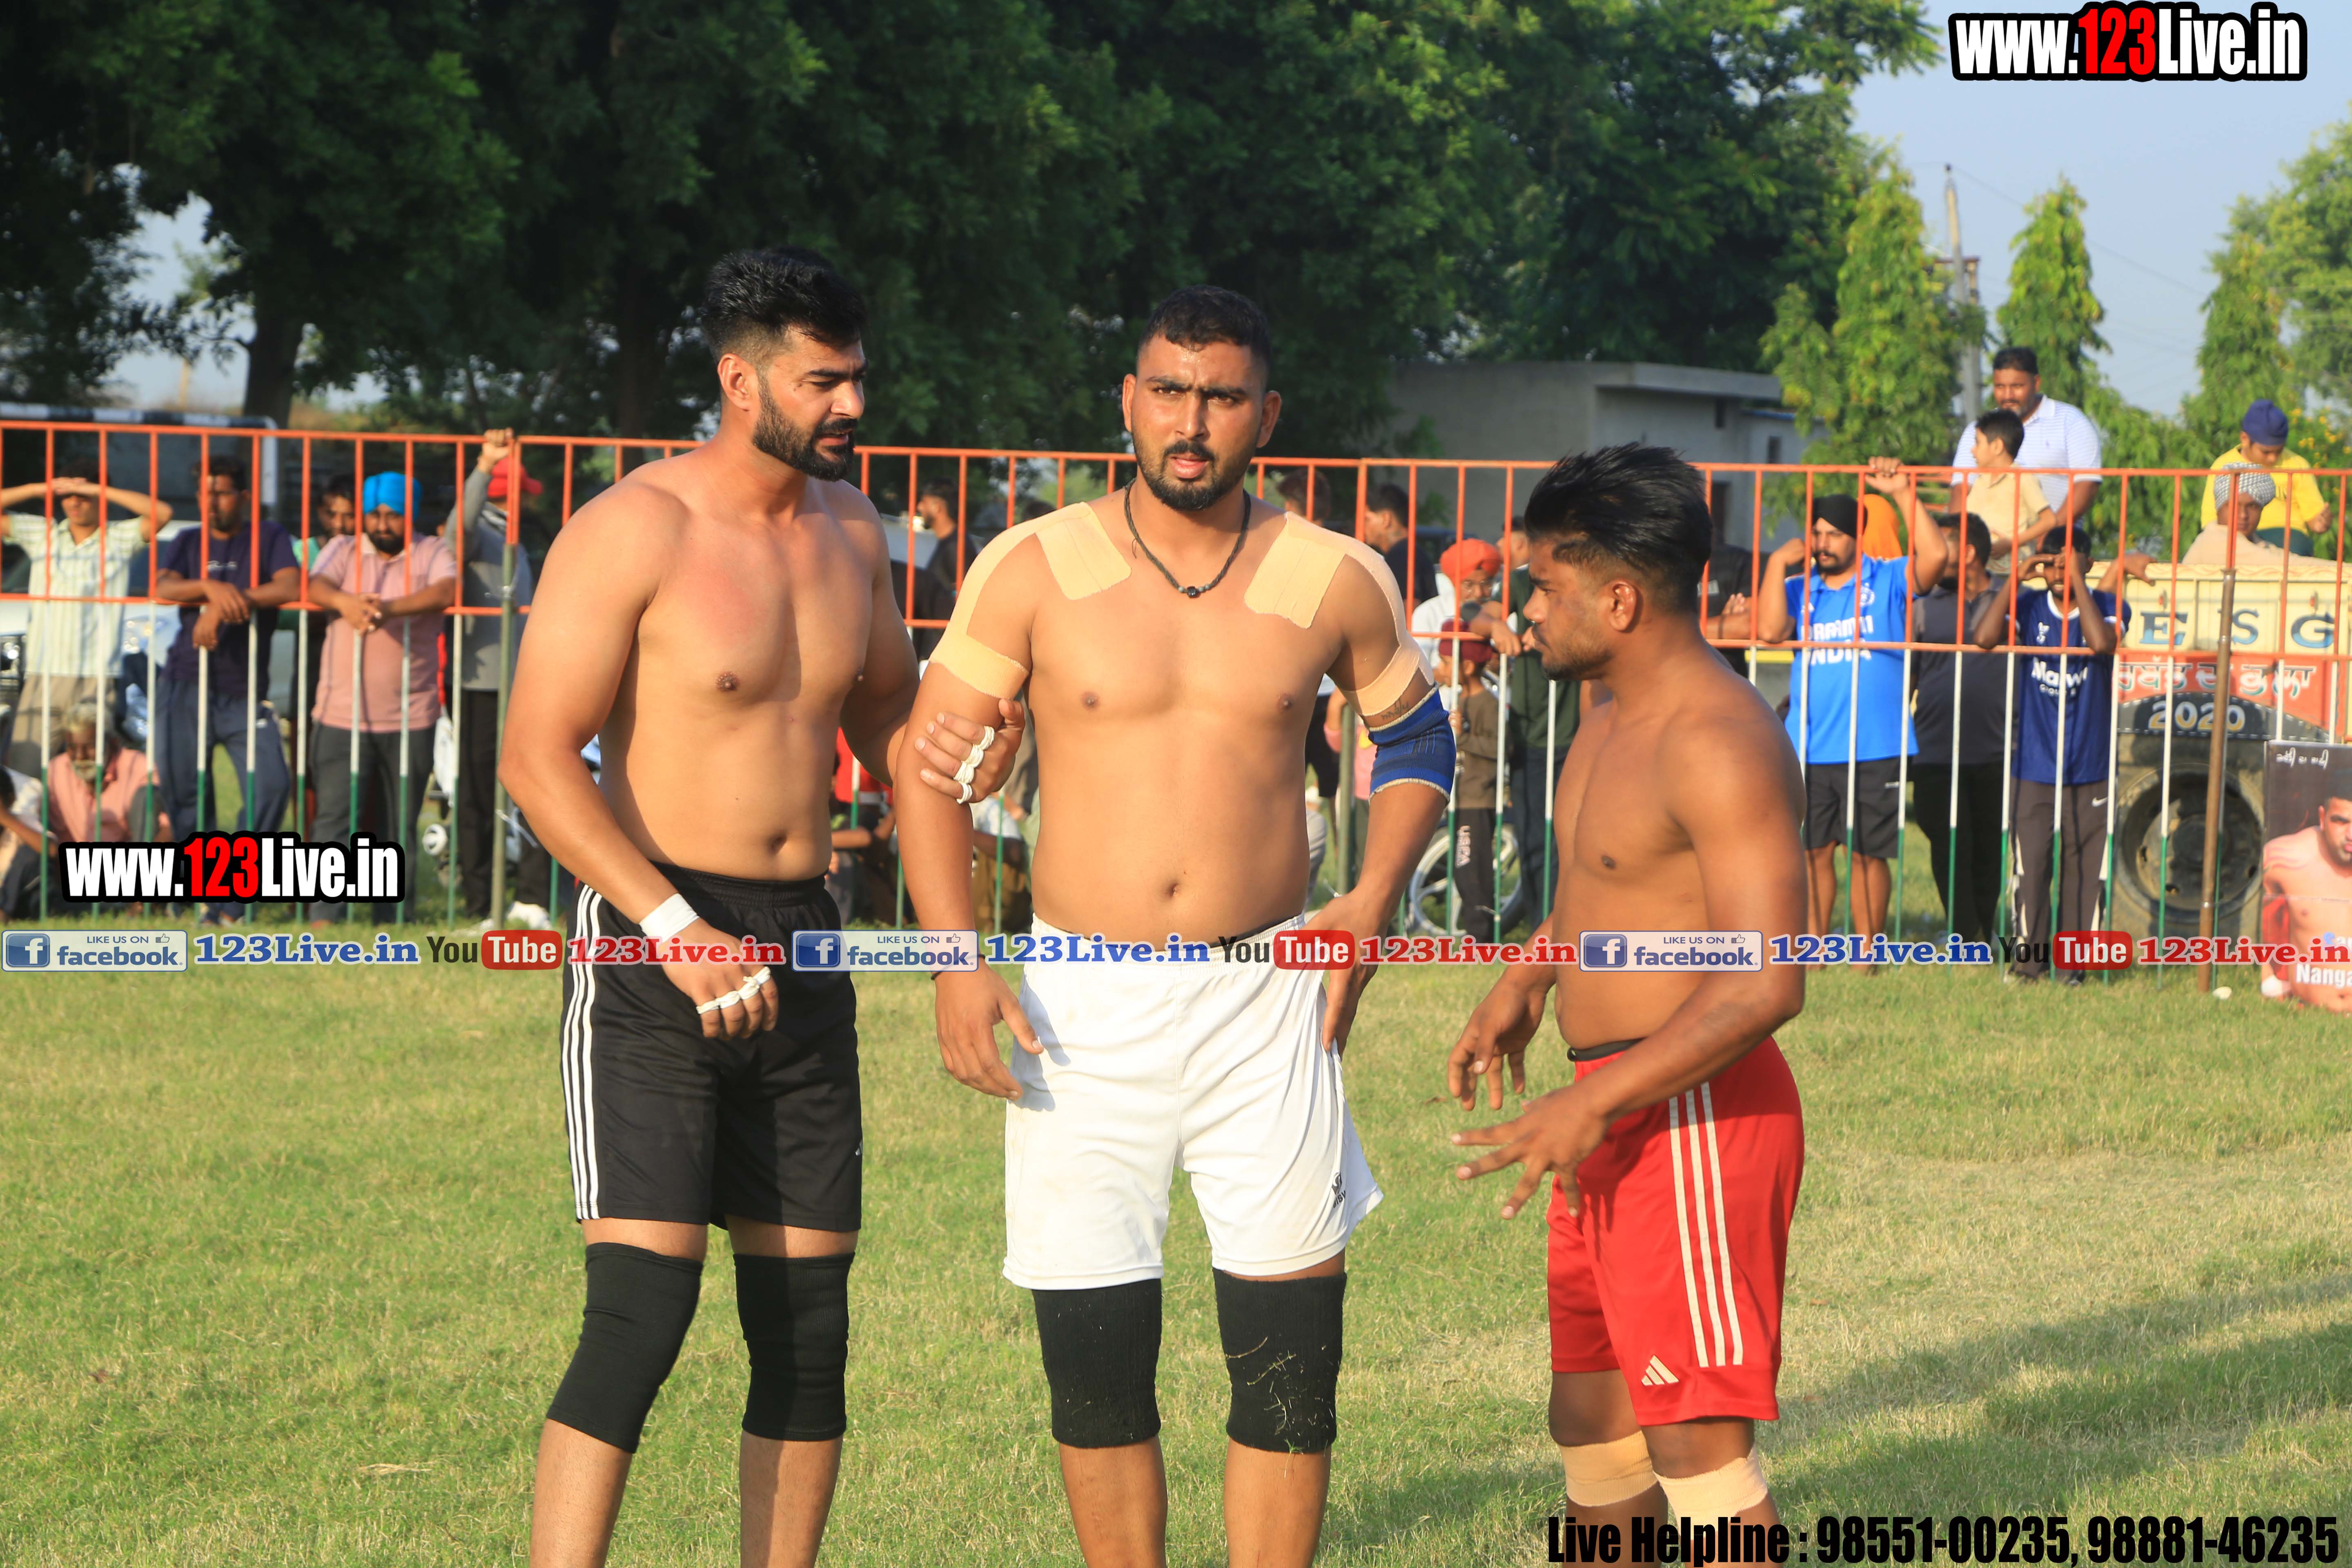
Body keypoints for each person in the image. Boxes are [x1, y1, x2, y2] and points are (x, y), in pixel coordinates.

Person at [893, 284, 1448, 1568]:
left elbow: (1419, 739)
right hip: (1080, 1003)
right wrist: (954, 963)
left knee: (1292, 1365)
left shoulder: (1332, 573)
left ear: (1268, 413)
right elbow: (926, 769)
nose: (1191, 422)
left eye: (1221, 397)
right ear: (1129, 401)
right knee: (1096, 1365)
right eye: (1168, 391)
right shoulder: (1034, 564)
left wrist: (1370, 898)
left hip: (1268, 993)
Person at [498, 247, 1018, 1568]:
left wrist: (967, 767)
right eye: (823, 380)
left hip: (806, 937)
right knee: (640, 1313)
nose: (853, 404)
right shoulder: (636, 528)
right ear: (741, 382)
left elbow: (896, 731)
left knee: (807, 1329)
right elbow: (538, 759)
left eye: (857, 377)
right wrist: (672, 929)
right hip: (655, 942)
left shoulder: (852, 531)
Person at [1444, 442, 1806, 1529]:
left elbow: (1768, 982)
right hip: (1607, 1107)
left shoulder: (1719, 740)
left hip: (1691, 1116)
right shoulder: (1604, 717)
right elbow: (1613, 888)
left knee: (1694, 1443)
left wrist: (1595, 1097)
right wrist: (1531, 973)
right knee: (1592, 1420)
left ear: (1619, 600)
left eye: (1544, 588)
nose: (1526, 611)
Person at [1731, 461, 1947, 959]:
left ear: (1856, 538)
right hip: (1812, 744)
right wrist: (1775, 564)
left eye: (1834, 535)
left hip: (1876, 743)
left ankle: (1867, 951)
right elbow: (1769, 631)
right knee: (1814, 852)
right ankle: (1815, 947)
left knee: (1869, 854)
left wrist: (1903, 494)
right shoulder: (1800, 588)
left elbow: (1936, 556)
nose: (1823, 543)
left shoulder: (1887, 579)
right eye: (1817, 534)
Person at [1970, 544, 2144, 984]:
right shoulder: (2029, 605)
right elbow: (1984, 638)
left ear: (2089, 563)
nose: (2058, 570)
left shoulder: (2110, 604)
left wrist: (2077, 583)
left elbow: (2101, 644)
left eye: (2068, 560)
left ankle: (2073, 970)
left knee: (2083, 870)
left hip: (2090, 764)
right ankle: (2028, 965)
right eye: (2051, 563)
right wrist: (2017, 576)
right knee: (2030, 869)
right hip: (2034, 763)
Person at [305, 472, 458, 924]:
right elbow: (315, 586)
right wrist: (347, 603)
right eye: (374, 514)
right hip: (339, 713)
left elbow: (446, 591)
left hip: (411, 715)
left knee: (397, 823)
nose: (382, 523)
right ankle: (324, 916)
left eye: (393, 515)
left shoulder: (431, 551)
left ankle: (392, 918)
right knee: (333, 819)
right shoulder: (343, 548)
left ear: (410, 514)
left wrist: (387, 608)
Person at [440, 429, 556, 927]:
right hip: (480, 687)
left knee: (535, 789)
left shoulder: (514, 537)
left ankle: (531, 897)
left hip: (523, 685)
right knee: (475, 797)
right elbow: (456, 531)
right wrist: (484, 467)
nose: (528, 503)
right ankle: (480, 901)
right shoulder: (479, 532)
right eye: (522, 493)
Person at [152, 457, 298, 849]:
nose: (212, 502)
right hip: (186, 681)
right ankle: (203, 879)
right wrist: (209, 588)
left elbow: (290, 587)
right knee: (185, 792)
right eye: (205, 493)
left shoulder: (268, 536)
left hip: (245, 689)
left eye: (221, 493)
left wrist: (227, 605)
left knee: (271, 786)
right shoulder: (188, 540)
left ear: (244, 496)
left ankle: (237, 877)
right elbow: (162, 589)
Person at [0, 457, 173, 775]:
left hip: (96, 675)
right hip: (45, 672)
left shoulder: (119, 538)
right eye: (68, 495)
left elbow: (162, 513)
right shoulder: (43, 533)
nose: (75, 503)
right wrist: (41, 489)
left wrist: (100, 490)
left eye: (84, 495)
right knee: (23, 771)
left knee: (92, 774)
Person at [1468, 525, 1579, 928]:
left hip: (1581, 732)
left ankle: (1569, 928)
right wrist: (1498, 629)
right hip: (1531, 735)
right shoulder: (1521, 580)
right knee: (1534, 840)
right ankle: (1541, 930)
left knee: (1575, 843)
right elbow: (1475, 615)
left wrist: (1545, 633)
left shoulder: (1589, 574)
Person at [1909, 513, 2009, 944]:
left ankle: (1983, 930)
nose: (1928, 553)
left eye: (1941, 543)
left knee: (1988, 849)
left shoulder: (2013, 599)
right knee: (1948, 844)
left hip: (1999, 749)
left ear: (1967, 552)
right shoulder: (1923, 604)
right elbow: (1908, 676)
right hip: (1934, 750)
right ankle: (1966, 935)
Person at [1950, 347, 2103, 544]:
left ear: (2036, 383)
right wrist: (1959, 542)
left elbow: (2087, 485)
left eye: (2017, 386)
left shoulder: (2071, 422)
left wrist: (2044, 539)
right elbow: (1961, 489)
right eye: (2000, 387)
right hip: (1990, 551)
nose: (2008, 395)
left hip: (2054, 550)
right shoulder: (1978, 430)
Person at [2261, 793, 2352, 1011]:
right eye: (2341, 821)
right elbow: (2261, 919)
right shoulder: (2284, 859)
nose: (2351, 835)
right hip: (2308, 1009)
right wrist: (2268, 980)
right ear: (2322, 818)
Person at [1441, 617, 1501, 942]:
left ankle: (1481, 938)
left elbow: (1501, 748)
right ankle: (1473, 934)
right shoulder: (1459, 700)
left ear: (1466, 666)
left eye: (1446, 662)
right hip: (1460, 797)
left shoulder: (1488, 704)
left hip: (1478, 799)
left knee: (1471, 871)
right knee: (1462, 870)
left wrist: (1462, 737)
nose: (1441, 668)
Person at [2200, 398, 2324, 555]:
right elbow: (2210, 520)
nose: (2273, 459)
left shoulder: (2297, 464)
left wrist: (2320, 523)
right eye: (2266, 452)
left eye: (2279, 451)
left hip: (2287, 537)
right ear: (2245, 439)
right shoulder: (2223, 466)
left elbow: (2314, 518)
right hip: (2238, 538)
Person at [45, 698, 164, 845]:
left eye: (90, 747)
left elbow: (167, 828)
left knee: (147, 796)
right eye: (72, 748)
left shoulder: (140, 768)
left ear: (113, 743)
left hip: (135, 855)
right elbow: (60, 837)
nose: (80, 756)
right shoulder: (57, 771)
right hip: (80, 857)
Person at [1954, 408, 2056, 557]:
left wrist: (2011, 543)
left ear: (1997, 447)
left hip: (2014, 565)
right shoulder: (1981, 481)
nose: (1972, 450)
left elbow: (2049, 520)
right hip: (1983, 565)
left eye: (1978, 443)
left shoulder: (2023, 479)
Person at [2183, 464, 2294, 567]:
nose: (2243, 515)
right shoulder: (2215, 540)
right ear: (2218, 509)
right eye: (2233, 506)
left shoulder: (2255, 541)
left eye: (2252, 506)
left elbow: (2286, 558)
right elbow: (2279, 564)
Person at [1413, 536, 1500, 662]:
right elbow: (1420, 665)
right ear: (1454, 583)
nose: (1478, 593)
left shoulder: (1505, 611)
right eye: (1469, 585)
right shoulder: (1429, 613)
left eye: (1486, 584)